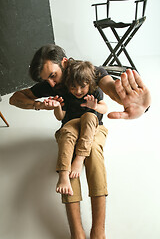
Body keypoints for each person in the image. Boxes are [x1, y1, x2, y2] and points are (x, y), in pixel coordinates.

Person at [9, 44, 151, 239]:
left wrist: (136, 103)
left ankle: (98, 232)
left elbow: (110, 89)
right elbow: (15, 98)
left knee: (92, 149)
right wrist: (39, 104)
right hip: (69, 130)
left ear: (65, 63)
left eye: (52, 75)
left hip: (94, 128)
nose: (50, 84)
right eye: (46, 80)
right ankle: (77, 234)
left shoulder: (91, 72)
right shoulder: (52, 84)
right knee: (67, 156)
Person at [44, 59, 108, 197]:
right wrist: (57, 107)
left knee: (90, 116)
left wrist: (94, 107)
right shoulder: (66, 94)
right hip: (72, 124)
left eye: (82, 87)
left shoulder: (94, 92)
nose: (77, 91)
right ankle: (63, 175)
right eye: (73, 87)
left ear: (89, 84)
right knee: (67, 132)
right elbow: (61, 117)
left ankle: (79, 159)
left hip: (90, 125)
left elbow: (105, 108)